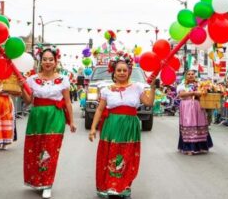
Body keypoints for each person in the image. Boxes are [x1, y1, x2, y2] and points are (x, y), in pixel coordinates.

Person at [88, 53, 155, 199]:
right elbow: (99, 109)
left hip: (130, 125)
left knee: (127, 155)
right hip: (111, 125)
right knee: (109, 154)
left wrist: (154, 86)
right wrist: (93, 129)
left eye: (125, 70)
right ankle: (108, 186)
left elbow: (149, 103)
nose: (122, 73)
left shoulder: (137, 87)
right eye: (119, 70)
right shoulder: (106, 90)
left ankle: (124, 187)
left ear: (129, 71)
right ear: (114, 72)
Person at [21, 48, 76, 199]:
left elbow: (68, 102)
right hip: (37, 117)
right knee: (35, 149)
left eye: (50, 59)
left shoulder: (63, 79)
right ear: (40, 61)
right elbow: (27, 101)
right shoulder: (32, 79)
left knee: (50, 150)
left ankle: (47, 184)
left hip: (55, 117)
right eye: (45, 59)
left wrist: (71, 121)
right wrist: (21, 87)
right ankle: (37, 180)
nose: (48, 62)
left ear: (55, 61)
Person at [177, 70, 213, 155]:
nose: (190, 76)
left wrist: (202, 92)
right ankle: (188, 148)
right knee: (188, 124)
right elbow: (181, 95)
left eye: (192, 74)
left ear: (195, 76)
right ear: (186, 76)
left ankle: (201, 147)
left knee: (199, 124)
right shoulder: (182, 85)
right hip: (186, 107)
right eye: (188, 74)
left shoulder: (200, 85)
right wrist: (193, 92)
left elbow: (204, 94)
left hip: (198, 106)